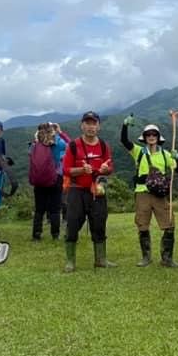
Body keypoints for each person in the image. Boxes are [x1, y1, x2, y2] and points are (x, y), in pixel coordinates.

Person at [121, 115, 178, 267]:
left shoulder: (165, 154)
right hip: (142, 192)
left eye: (154, 134)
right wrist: (125, 125)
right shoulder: (139, 152)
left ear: (158, 137)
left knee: (169, 224)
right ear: (145, 138)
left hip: (159, 194)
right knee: (142, 224)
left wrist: (177, 158)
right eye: (148, 135)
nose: (151, 137)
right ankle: (146, 257)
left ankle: (167, 259)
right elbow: (124, 141)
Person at [62, 111, 115, 271]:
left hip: (97, 191)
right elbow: (66, 170)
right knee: (72, 223)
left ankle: (101, 259)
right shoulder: (73, 145)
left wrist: (106, 169)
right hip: (76, 191)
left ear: (99, 126)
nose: (91, 126)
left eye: (94, 123)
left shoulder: (104, 146)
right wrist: (81, 170)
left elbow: (110, 168)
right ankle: (70, 261)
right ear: (82, 125)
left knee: (99, 223)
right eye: (87, 123)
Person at [29, 122, 63, 242]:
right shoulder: (58, 144)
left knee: (39, 209)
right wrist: (59, 132)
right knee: (55, 209)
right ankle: (55, 234)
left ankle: (36, 235)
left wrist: (36, 139)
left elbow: (30, 156)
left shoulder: (34, 145)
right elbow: (70, 144)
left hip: (39, 180)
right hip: (56, 178)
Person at [51, 122, 69, 226]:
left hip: (54, 175)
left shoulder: (47, 142)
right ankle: (64, 218)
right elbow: (70, 143)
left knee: (57, 198)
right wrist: (60, 132)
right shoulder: (60, 143)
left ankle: (55, 218)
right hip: (60, 174)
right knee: (62, 198)